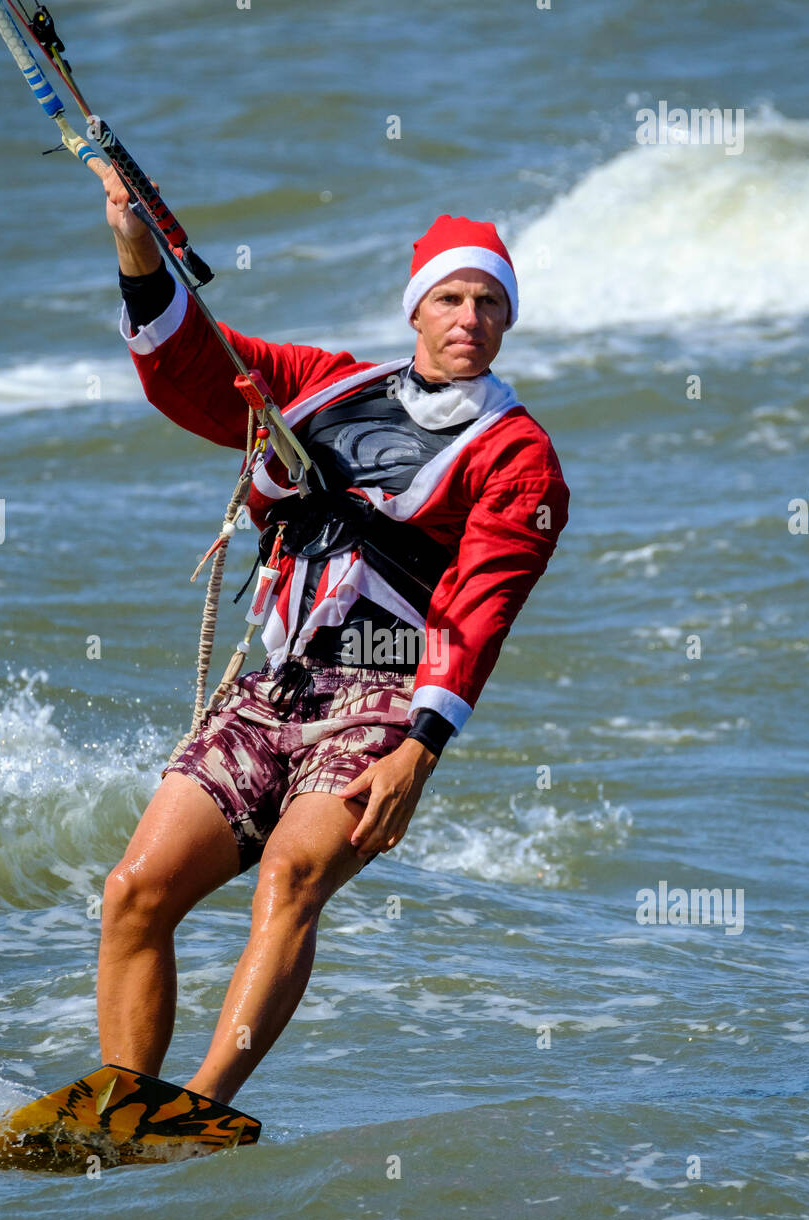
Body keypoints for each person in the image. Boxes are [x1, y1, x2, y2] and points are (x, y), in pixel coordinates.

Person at [97, 166, 570, 1106]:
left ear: (507, 322)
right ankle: (121, 1105)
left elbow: (481, 606)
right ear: (416, 311)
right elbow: (198, 367)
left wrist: (420, 752)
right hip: (273, 689)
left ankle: (200, 1105)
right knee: (132, 894)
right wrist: (137, 249)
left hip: (385, 696)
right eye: (450, 296)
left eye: (488, 302)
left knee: (292, 871)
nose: (468, 316)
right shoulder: (324, 388)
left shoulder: (519, 455)